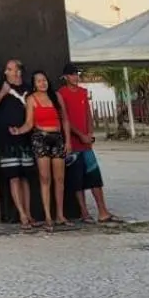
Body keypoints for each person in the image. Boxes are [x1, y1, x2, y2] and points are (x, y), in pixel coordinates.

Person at [10, 69, 72, 230]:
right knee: (45, 179)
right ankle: (48, 216)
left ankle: (60, 214)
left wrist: (68, 141)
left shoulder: (56, 97)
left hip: (57, 137)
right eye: (38, 81)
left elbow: (65, 120)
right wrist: (19, 130)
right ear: (34, 84)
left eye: (44, 80)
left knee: (59, 179)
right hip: (41, 137)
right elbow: (29, 123)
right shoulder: (31, 99)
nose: (42, 83)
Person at [60, 65, 116, 222]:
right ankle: (84, 212)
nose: (75, 77)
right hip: (74, 143)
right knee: (77, 180)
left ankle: (102, 210)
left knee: (94, 176)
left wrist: (90, 133)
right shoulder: (62, 94)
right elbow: (65, 119)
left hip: (86, 143)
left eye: (76, 74)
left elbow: (88, 115)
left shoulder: (83, 92)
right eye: (72, 75)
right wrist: (79, 135)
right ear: (65, 77)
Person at [0, 58, 35, 229]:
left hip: (25, 139)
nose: (6, 72)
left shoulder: (28, 91)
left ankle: (29, 212)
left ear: (18, 72)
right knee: (13, 176)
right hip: (7, 140)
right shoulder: (1, 87)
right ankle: (21, 214)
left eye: (10, 69)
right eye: (6, 69)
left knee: (24, 177)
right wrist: (2, 93)